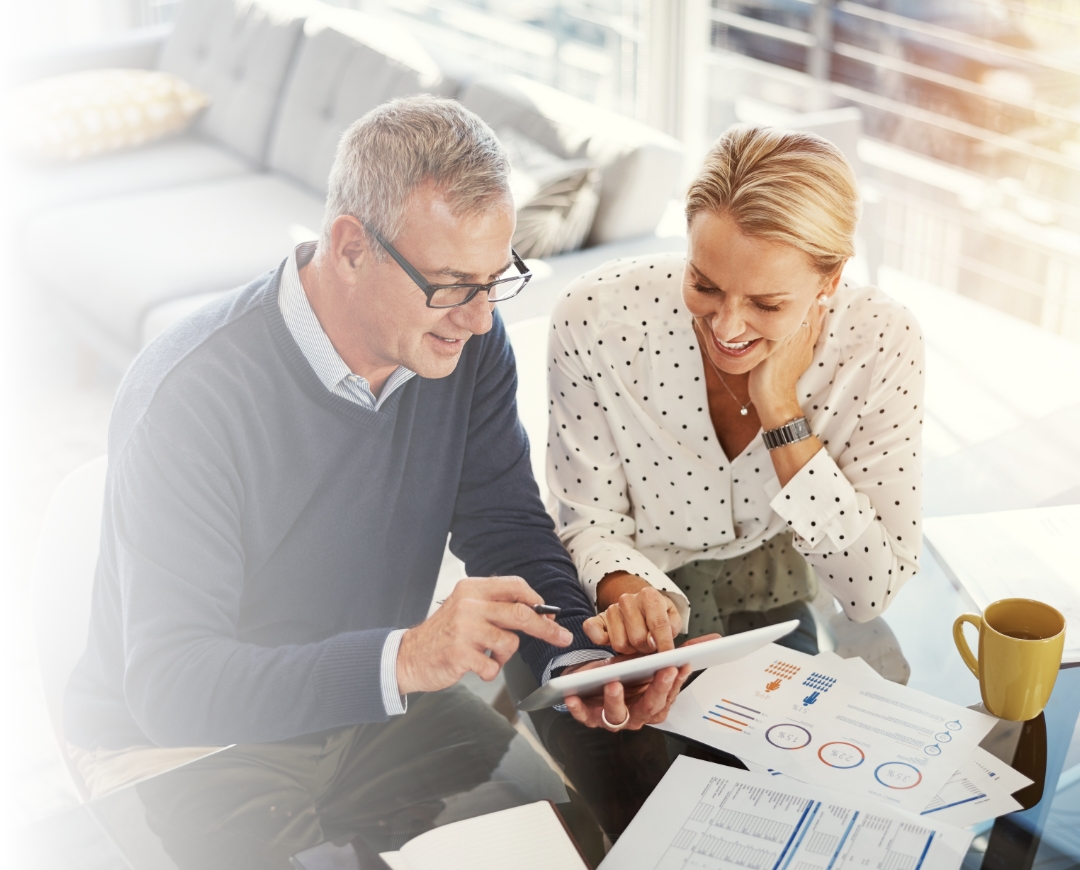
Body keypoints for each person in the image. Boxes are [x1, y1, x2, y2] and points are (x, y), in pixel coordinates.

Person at [62, 96, 691, 858]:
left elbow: (508, 526)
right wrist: (406, 657)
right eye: (455, 284)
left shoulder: (463, 347)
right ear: (351, 247)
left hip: (375, 704)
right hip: (188, 747)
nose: (483, 318)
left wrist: (577, 662)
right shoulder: (190, 397)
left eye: (497, 280)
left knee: (565, 849)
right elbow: (172, 689)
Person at [548, 124, 925, 662]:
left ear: (831, 279)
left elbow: (869, 592)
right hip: (622, 592)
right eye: (704, 285)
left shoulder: (880, 343)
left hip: (771, 593)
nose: (726, 328)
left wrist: (782, 413)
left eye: (767, 305)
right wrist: (630, 597)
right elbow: (587, 520)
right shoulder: (595, 320)